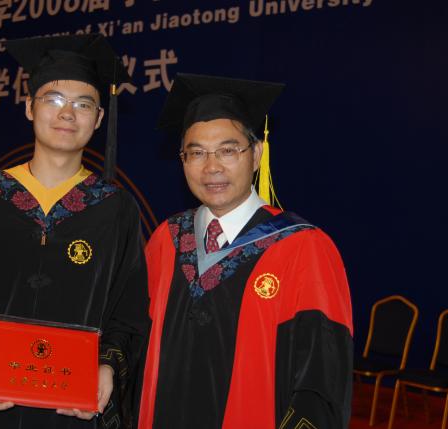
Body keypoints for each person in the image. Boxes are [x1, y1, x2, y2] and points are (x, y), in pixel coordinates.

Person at [0, 35, 149, 429]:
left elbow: (128, 315)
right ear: (28, 107)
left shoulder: (115, 209)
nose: (67, 114)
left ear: (99, 119)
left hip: (72, 412)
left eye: (83, 104)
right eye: (53, 99)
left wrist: (107, 367)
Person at [138, 74, 353, 429]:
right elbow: (135, 342)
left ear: (256, 155)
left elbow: (321, 382)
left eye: (228, 150)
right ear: (182, 161)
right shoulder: (167, 239)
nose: (212, 167)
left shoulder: (304, 248)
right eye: (197, 153)